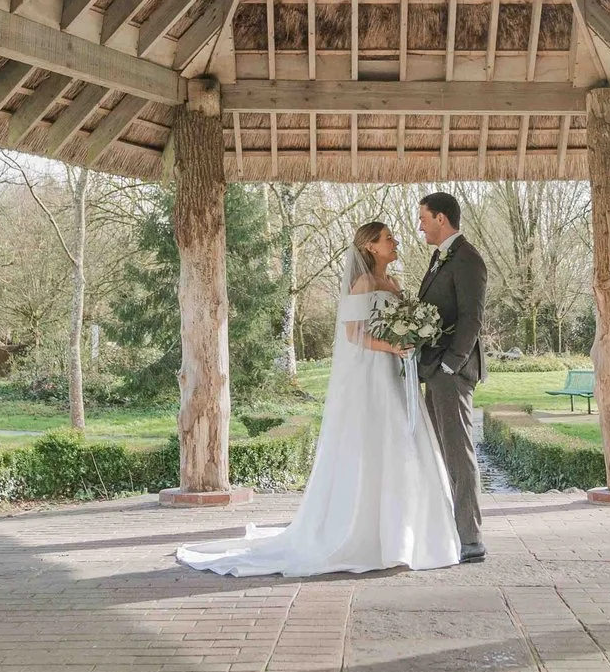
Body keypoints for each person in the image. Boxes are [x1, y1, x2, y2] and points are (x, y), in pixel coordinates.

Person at [175, 221, 462, 577]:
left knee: (403, 439)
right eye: (388, 238)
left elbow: (397, 323)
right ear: (371, 246)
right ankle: (365, 531)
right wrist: (391, 345)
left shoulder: (395, 284)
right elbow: (353, 334)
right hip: (373, 372)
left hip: (395, 370)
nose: (395, 241)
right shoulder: (363, 283)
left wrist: (411, 338)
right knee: (377, 441)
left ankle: (403, 533)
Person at [414, 192, 488, 562]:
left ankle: (471, 538)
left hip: (451, 372)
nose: (420, 225)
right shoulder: (439, 258)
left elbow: (473, 319)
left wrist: (450, 364)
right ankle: (448, 530)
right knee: (440, 451)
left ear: (441, 219)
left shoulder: (468, 259)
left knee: (459, 452)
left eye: (424, 218)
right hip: (434, 369)